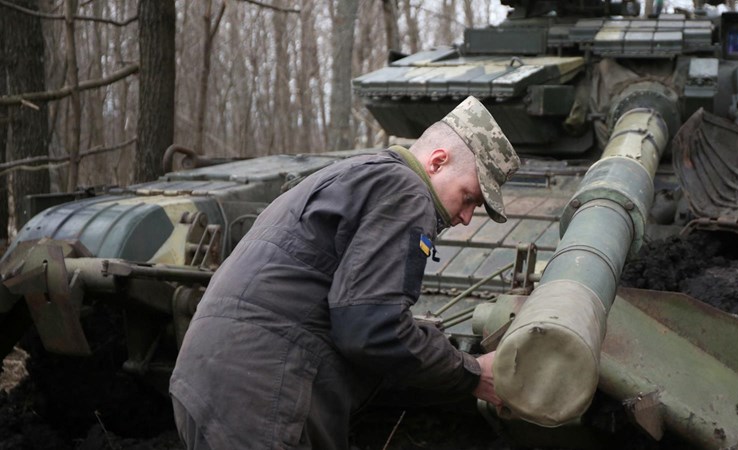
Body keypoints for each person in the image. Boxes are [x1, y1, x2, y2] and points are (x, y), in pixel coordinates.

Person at [169, 96, 521, 450]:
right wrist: (471, 373)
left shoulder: (353, 173)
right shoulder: (406, 190)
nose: (465, 217)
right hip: (263, 393)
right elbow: (371, 328)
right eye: (470, 198)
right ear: (438, 161)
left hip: (210, 381)